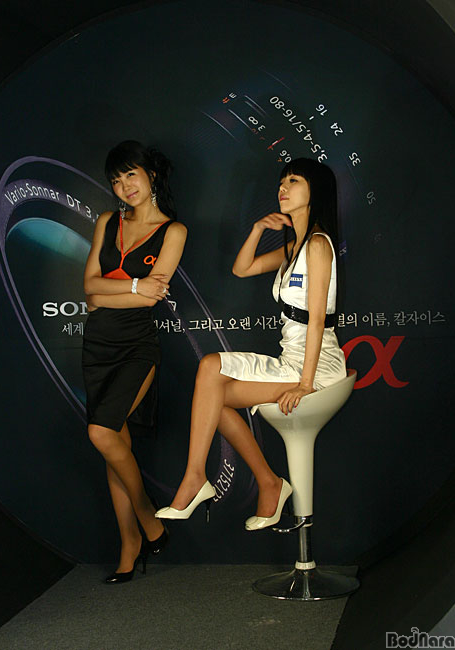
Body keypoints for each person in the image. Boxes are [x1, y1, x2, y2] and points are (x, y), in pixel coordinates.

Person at [156, 158, 346, 530]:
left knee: (213, 385)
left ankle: (208, 480)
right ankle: (258, 481)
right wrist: (259, 228)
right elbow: (242, 269)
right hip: (291, 359)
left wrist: (305, 384)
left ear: (316, 191)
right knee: (211, 379)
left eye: (294, 181)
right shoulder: (294, 247)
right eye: (282, 181)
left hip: (317, 366)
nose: (283, 188)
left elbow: (317, 321)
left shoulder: (318, 245)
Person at [82, 140, 187, 582]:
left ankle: (147, 516)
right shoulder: (108, 222)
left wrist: (121, 292)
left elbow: (151, 297)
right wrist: (132, 287)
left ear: (151, 175)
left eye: (131, 174)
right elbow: (88, 288)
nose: (124, 186)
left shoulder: (173, 231)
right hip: (97, 348)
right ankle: (130, 542)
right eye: (116, 179)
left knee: (102, 432)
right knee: (115, 445)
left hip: (137, 347)